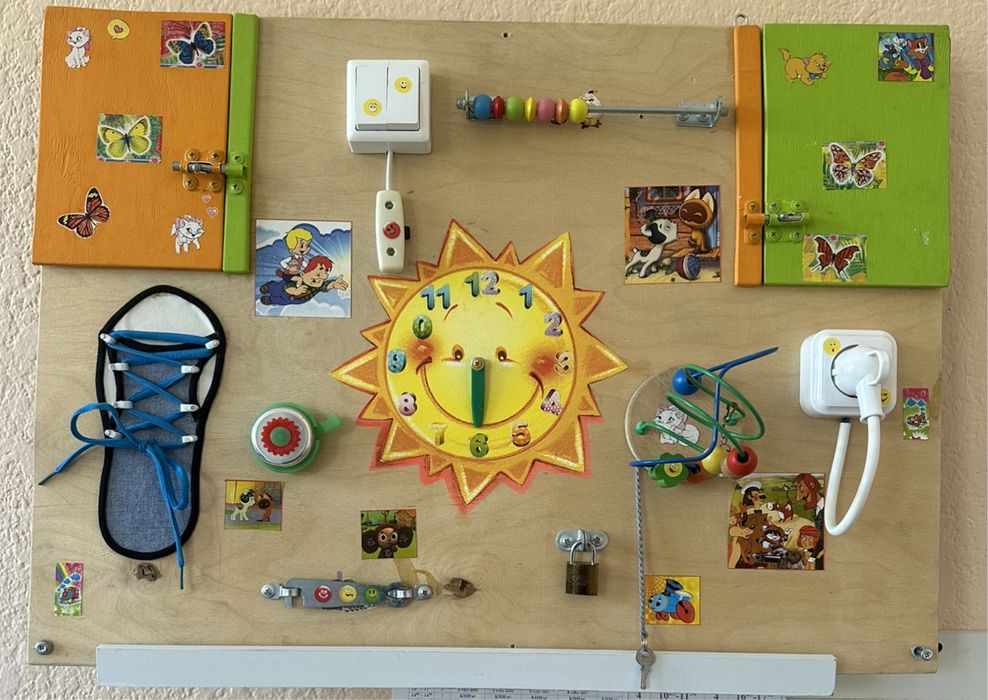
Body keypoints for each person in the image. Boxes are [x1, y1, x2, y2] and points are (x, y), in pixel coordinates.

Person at [260, 255, 348, 306]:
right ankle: (270, 286)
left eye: (321, 278)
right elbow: (288, 286)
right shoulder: (299, 279)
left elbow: (326, 285)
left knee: (281, 301)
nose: (318, 280)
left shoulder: (318, 286)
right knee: (276, 290)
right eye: (317, 276)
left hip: (296, 300)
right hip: (285, 289)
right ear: (303, 274)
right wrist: (295, 291)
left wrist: (334, 284)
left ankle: (272, 300)